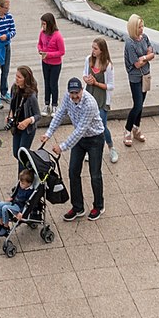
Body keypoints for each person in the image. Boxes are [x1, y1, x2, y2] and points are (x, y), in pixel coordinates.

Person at [40, 74, 108, 222]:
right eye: (72, 93)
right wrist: (48, 133)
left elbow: (80, 130)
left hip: (95, 139)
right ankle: (78, 207)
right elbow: (59, 115)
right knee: (73, 172)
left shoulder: (89, 103)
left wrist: (62, 146)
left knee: (95, 174)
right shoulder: (67, 97)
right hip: (80, 140)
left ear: (82, 90)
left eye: (77, 93)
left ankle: (98, 205)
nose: (74, 96)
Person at [122, 14, 156, 148]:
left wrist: (144, 58)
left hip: (146, 75)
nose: (142, 29)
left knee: (141, 104)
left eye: (142, 26)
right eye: (139, 27)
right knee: (138, 105)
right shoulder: (130, 43)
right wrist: (146, 57)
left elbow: (152, 54)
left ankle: (136, 127)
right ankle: (127, 129)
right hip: (135, 77)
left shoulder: (145, 37)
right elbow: (136, 63)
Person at [82, 38, 117, 163]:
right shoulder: (89, 60)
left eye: (95, 48)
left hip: (102, 99)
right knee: (88, 124)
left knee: (102, 125)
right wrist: (87, 80)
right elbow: (84, 74)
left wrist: (96, 83)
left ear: (102, 51)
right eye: (92, 48)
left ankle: (111, 147)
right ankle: (90, 149)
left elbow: (111, 86)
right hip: (89, 95)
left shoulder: (107, 66)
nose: (93, 51)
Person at [7, 66, 41, 163]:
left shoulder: (31, 95)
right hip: (17, 126)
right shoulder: (14, 88)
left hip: (27, 130)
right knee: (16, 153)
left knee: (22, 155)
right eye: (16, 76)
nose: (16, 79)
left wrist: (27, 121)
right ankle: (30, 167)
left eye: (19, 77)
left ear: (26, 79)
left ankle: (21, 177)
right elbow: (13, 104)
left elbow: (38, 115)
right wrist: (10, 115)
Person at [0, 167, 37, 236]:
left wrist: (21, 212)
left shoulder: (30, 192)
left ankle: (6, 227)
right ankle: (1, 224)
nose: (20, 184)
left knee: (5, 208)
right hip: (14, 202)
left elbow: (28, 203)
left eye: (23, 183)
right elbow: (16, 192)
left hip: (19, 207)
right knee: (0, 204)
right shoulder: (21, 186)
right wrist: (12, 197)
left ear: (29, 184)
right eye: (20, 182)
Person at [37, 12, 65, 113]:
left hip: (55, 64)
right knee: (46, 83)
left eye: (44, 24)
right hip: (45, 62)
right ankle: (46, 103)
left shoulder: (58, 36)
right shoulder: (42, 33)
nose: (43, 26)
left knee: (53, 83)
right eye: (42, 24)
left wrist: (49, 54)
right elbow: (39, 44)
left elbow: (61, 52)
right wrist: (40, 50)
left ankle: (54, 104)